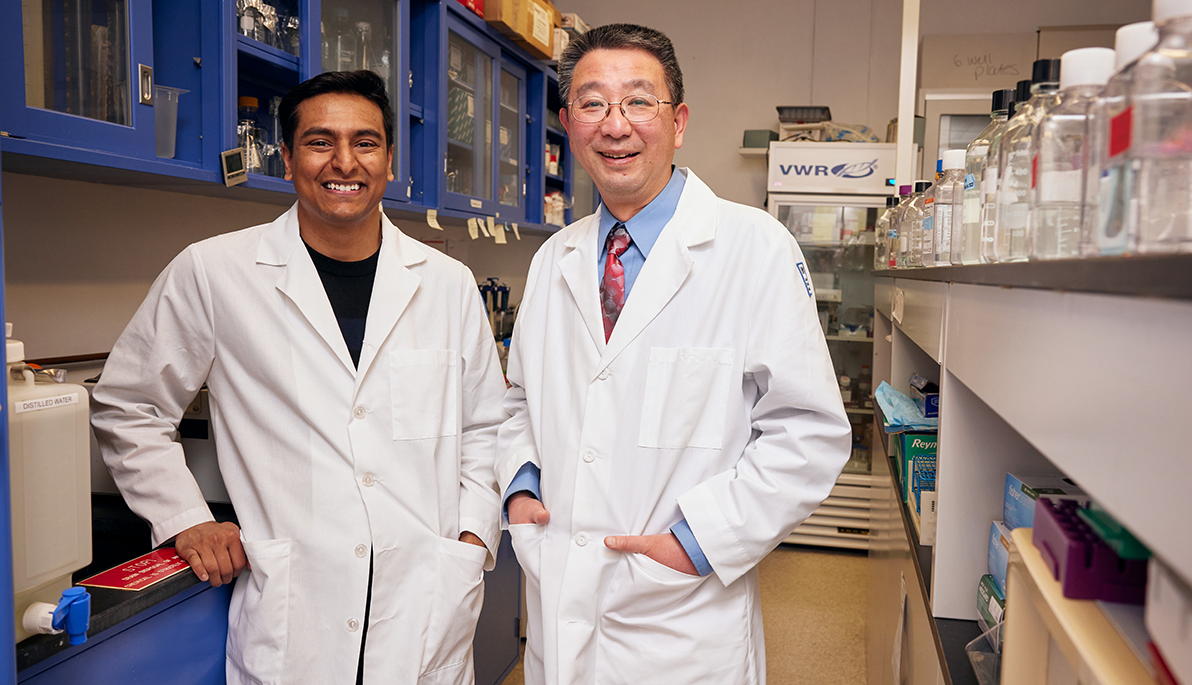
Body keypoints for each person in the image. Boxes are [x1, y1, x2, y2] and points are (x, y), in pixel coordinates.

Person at [91, 71, 507, 685]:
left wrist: (472, 537)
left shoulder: (446, 284)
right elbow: (128, 404)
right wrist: (184, 517)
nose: (345, 161)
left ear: (389, 159)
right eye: (320, 142)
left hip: (425, 603)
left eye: (365, 142)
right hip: (296, 617)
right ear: (287, 159)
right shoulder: (215, 272)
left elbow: (486, 426)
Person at [497, 24, 853, 685]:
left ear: (678, 121)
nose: (615, 125)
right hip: (560, 603)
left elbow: (807, 433)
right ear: (568, 123)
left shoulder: (756, 249)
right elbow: (519, 399)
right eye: (592, 103)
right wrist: (519, 485)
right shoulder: (554, 260)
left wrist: (696, 543)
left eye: (638, 101)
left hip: (680, 622)